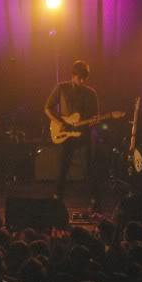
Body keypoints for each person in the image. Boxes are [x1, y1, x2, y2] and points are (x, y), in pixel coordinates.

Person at [44, 60, 101, 211]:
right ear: (73, 75)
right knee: (63, 166)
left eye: (84, 78)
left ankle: (94, 199)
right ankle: (58, 198)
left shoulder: (91, 93)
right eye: (79, 78)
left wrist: (94, 121)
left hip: (85, 133)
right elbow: (47, 108)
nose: (82, 81)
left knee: (91, 166)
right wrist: (59, 122)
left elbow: (95, 117)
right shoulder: (61, 88)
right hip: (66, 133)